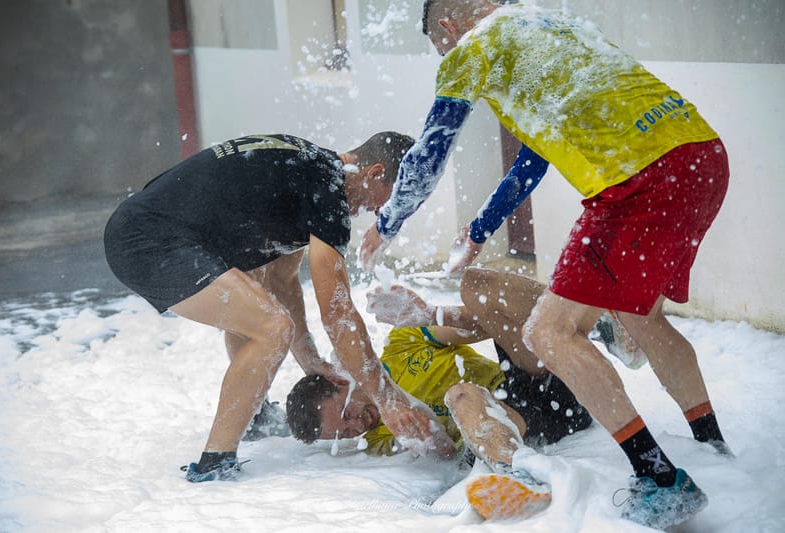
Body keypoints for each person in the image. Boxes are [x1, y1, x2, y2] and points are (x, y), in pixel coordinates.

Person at [358, 2, 731, 529]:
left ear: (449, 27)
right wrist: (481, 230)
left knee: (548, 333)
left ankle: (658, 477)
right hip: (700, 156)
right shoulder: (550, 24)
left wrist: (387, 222)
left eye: (441, 48)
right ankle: (715, 450)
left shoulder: (472, 46)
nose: (447, 56)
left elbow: (429, 155)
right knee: (642, 318)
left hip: (636, 181)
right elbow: (534, 158)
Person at [103, 132, 456, 483]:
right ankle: (215, 464)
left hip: (145, 228)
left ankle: (254, 416)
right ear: (375, 173)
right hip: (149, 241)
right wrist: (387, 398)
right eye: (393, 201)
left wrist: (309, 360)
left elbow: (282, 280)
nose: (382, 213)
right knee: (272, 328)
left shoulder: (311, 171)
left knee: (257, 299)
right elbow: (338, 314)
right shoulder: (327, 195)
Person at [286, 270, 594, 519]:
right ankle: (515, 477)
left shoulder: (402, 343)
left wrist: (429, 314)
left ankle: (595, 311)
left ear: (341, 381)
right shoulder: (379, 440)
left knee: (483, 288)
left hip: (542, 385)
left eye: (347, 414)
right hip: (517, 425)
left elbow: (483, 324)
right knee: (461, 395)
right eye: (345, 434)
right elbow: (444, 453)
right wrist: (421, 425)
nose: (357, 426)